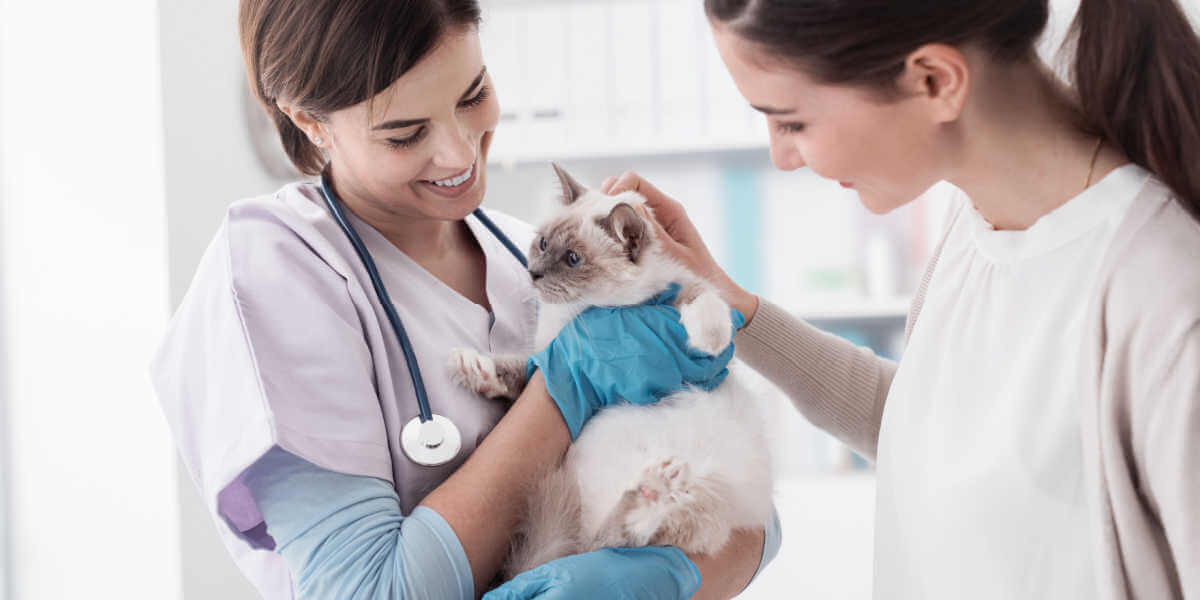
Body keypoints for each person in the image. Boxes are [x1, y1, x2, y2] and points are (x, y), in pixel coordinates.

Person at [149, 1, 778, 599]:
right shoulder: (279, 270)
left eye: (472, 94)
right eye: (404, 133)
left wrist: (675, 578)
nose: (457, 155)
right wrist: (564, 387)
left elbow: (756, 518)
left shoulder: (525, 253)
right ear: (309, 121)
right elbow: (371, 591)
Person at [601, 0, 1200, 597]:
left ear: (934, 81)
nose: (782, 159)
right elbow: (928, 427)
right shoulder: (976, 226)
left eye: (792, 121)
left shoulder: (1164, 300)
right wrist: (725, 301)